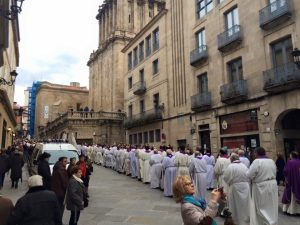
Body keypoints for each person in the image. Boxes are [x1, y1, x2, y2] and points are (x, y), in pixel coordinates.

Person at [247, 147, 278, 225]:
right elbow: (275, 171)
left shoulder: (257, 161)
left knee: (261, 207)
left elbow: (249, 174)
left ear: (256, 153)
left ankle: (266, 222)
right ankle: (272, 221)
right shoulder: (271, 161)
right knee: (271, 205)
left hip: (261, 186)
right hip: (272, 184)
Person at [224, 153, 250, 225]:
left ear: (231, 159)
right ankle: (245, 220)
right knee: (245, 204)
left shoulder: (231, 167)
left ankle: (236, 220)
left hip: (235, 187)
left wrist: (230, 182)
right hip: (245, 186)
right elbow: (248, 175)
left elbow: (226, 177)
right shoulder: (244, 166)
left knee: (235, 205)